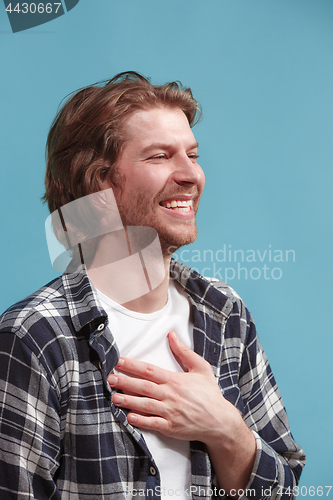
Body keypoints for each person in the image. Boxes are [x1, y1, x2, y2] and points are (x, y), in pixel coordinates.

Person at [0, 72, 305, 500]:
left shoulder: (223, 313)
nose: (191, 175)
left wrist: (225, 429)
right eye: (160, 156)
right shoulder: (36, 336)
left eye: (192, 154)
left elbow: (282, 489)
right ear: (99, 184)